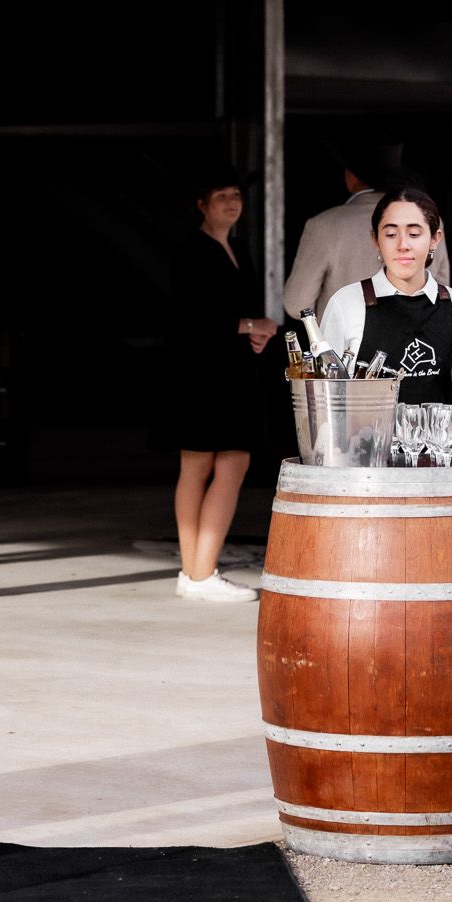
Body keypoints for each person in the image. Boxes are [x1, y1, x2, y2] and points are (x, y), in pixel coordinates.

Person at [163, 165, 274, 603]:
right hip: (200, 370)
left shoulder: (240, 248)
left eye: (236, 196)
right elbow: (192, 318)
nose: (232, 202)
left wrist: (256, 329)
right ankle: (199, 571)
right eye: (222, 195)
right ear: (202, 205)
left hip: (228, 369)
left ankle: (194, 572)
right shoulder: (191, 250)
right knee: (215, 464)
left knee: (212, 465)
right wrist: (250, 323)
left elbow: (239, 314)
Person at [320, 186, 452, 407]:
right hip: (364, 442)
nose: (402, 245)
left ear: (435, 239)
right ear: (376, 240)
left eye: (414, 234)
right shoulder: (346, 304)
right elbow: (325, 397)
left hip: (440, 441)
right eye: (390, 234)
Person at [283, 144, 450, 323]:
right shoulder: (429, 219)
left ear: (350, 177)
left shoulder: (325, 225)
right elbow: (442, 291)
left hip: (346, 347)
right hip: (415, 346)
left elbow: (297, 305)